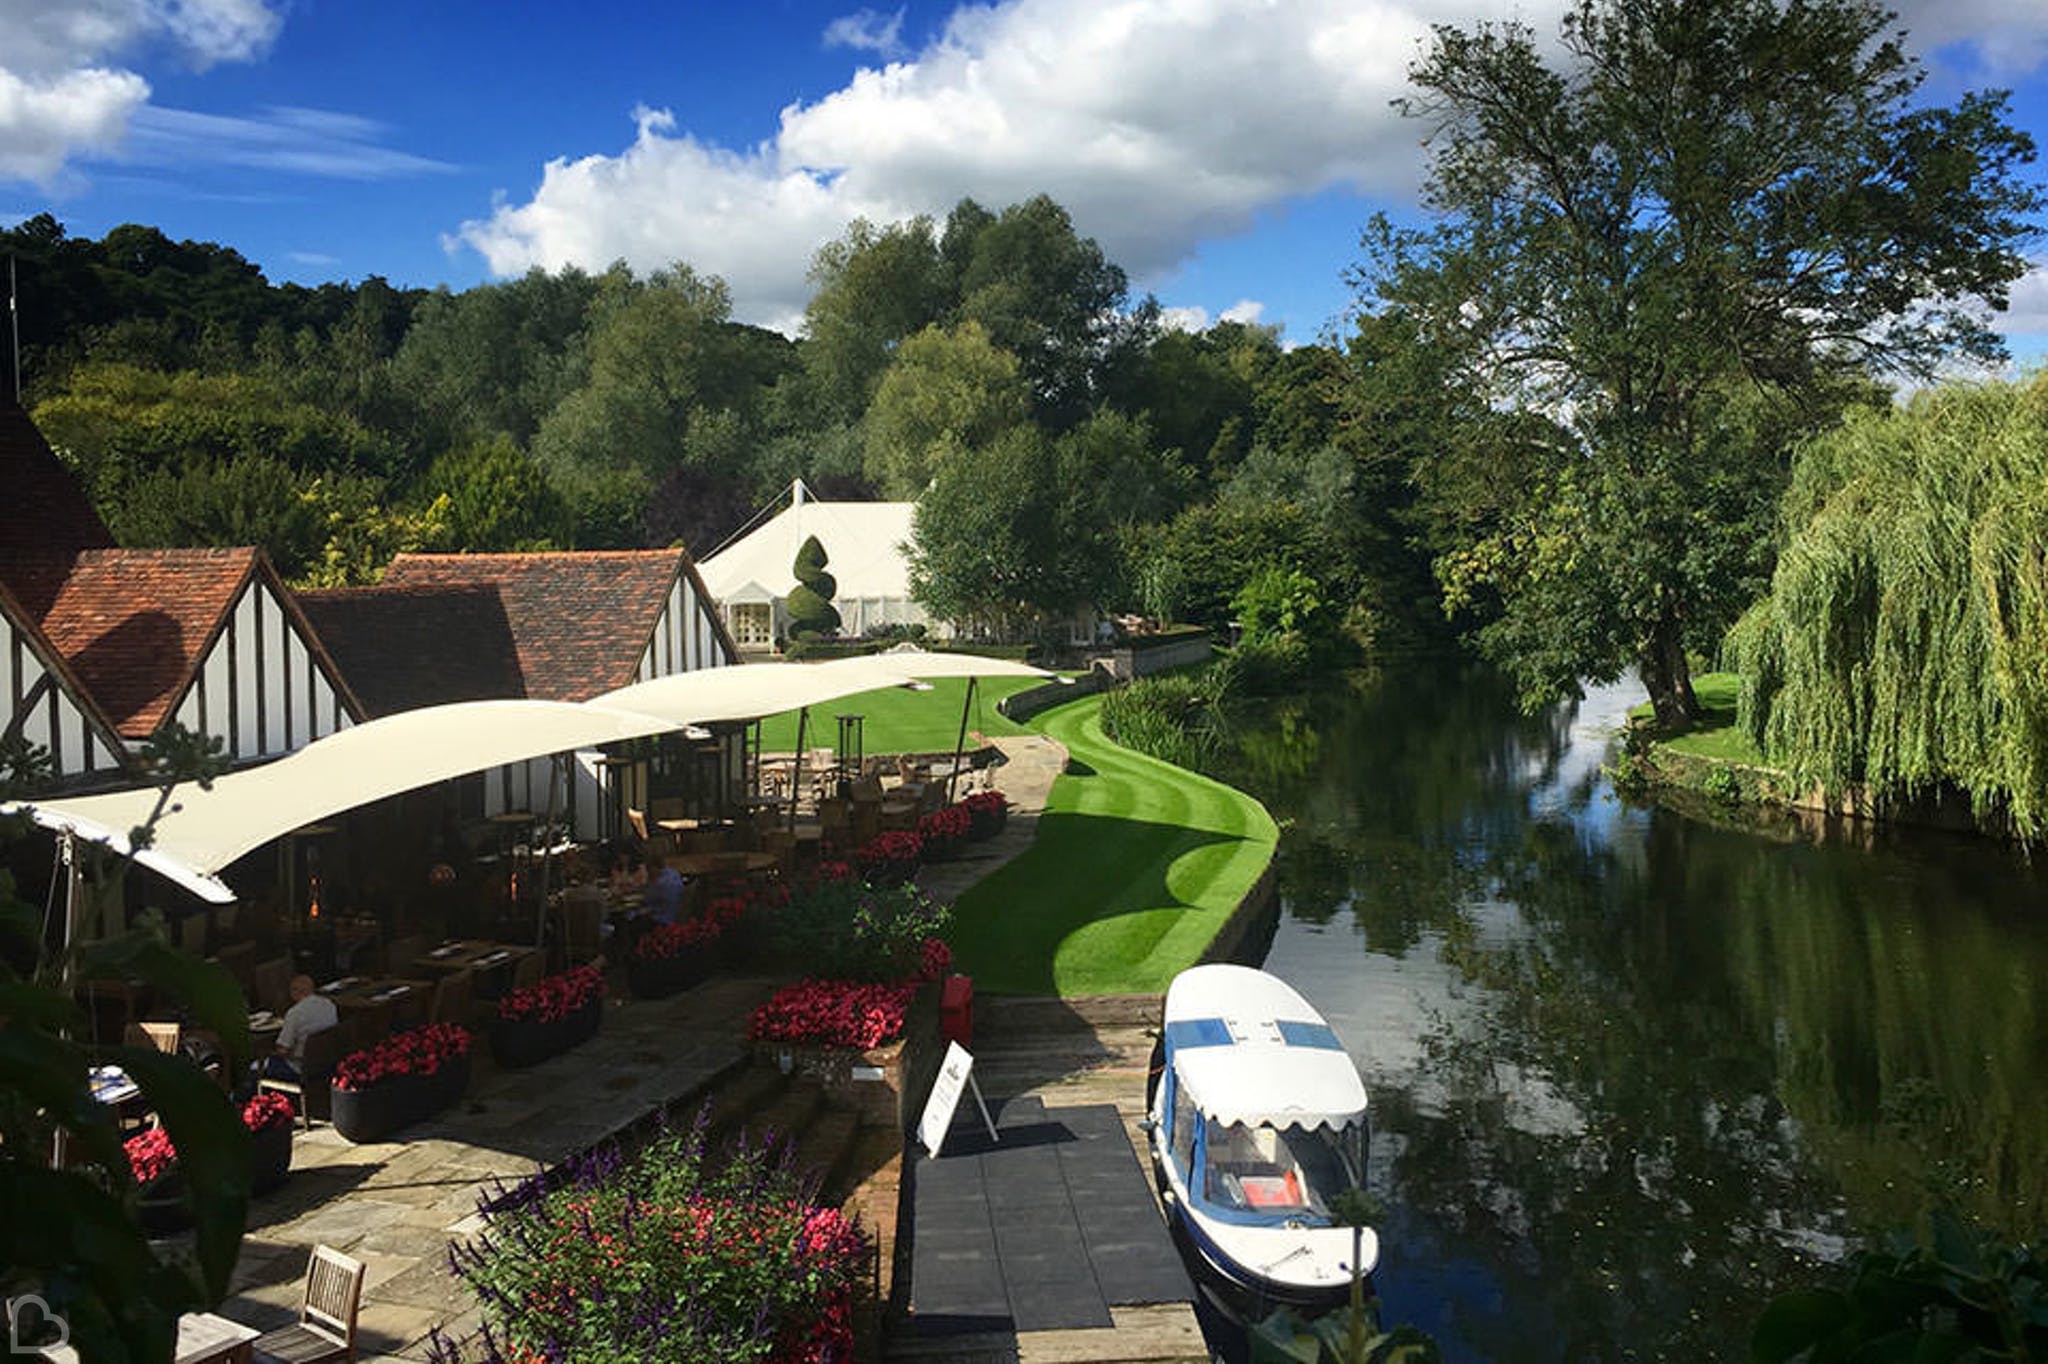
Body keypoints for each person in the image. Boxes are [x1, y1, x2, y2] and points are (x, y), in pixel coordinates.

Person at [256, 975, 338, 1086]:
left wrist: (267, 1051)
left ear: (294, 992)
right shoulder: (329, 1005)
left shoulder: (295, 1013)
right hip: (325, 1064)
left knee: (253, 1068)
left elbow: (283, 1050)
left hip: (300, 1068)